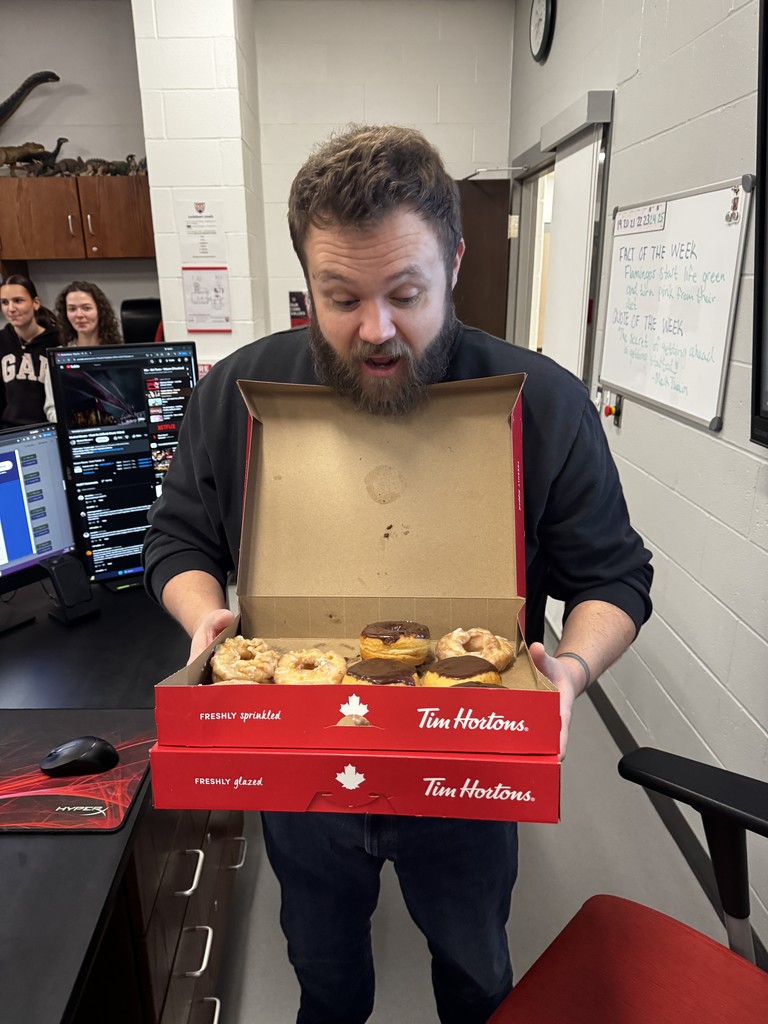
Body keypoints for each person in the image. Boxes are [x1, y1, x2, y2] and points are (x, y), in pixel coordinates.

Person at [143, 124, 653, 1024]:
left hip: (468, 754)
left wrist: (569, 671)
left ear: (455, 262)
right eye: (338, 296)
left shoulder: (545, 403)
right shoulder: (238, 392)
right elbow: (178, 543)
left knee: (476, 972)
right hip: (299, 757)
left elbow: (615, 579)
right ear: (304, 277)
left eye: (405, 293)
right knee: (326, 975)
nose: (375, 330)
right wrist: (203, 619)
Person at [0, 274, 60, 427]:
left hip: (48, 428)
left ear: (36, 303)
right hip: (10, 430)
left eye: (18, 301)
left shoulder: (57, 341)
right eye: (4, 302)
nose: (11, 309)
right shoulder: (2, 340)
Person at [54, 280, 123, 347]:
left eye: (86, 308)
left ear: (100, 311)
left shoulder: (118, 351)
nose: (79, 315)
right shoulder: (60, 354)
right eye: (72, 309)